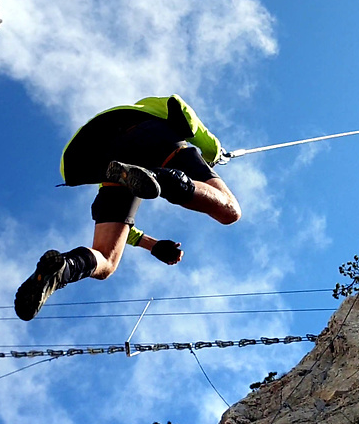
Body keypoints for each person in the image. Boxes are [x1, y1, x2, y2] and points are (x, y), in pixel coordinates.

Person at [14, 95, 242, 321]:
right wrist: (213, 150)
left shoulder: (122, 172)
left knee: (106, 260)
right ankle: (163, 178)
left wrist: (152, 245)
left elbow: (122, 227)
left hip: (97, 157)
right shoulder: (151, 107)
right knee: (230, 210)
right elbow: (182, 109)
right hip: (152, 136)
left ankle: (64, 268)